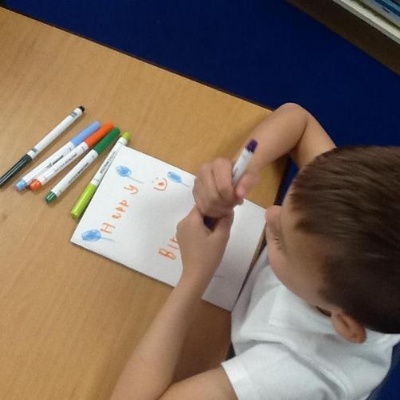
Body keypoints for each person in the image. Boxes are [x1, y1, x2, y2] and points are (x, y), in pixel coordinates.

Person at [110, 103, 400, 399]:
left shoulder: (288, 371)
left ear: (344, 324)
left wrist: (195, 276)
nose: (270, 214)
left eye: (281, 242)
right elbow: (298, 120)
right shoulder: (347, 217)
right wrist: (240, 170)